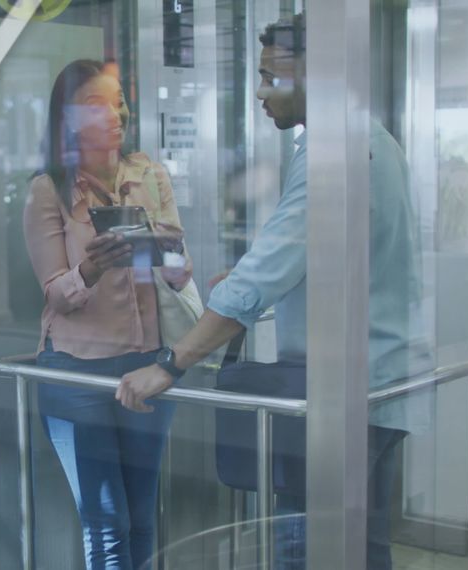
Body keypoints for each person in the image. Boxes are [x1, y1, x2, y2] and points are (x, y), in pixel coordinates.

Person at [115, 13, 427, 570]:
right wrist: (246, 278)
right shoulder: (370, 141)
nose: (261, 93)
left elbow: (265, 273)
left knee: (309, 550)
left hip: (347, 395)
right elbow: (316, 257)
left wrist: (171, 363)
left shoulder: (338, 152)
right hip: (377, 383)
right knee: (360, 547)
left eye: (273, 78)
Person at [23, 59, 194, 570]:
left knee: (142, 514)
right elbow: (55, 293)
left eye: (118, 100)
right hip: (77, 373)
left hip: (146, 366)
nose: (117, 113)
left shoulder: (150, 174)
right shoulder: (47, 190)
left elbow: (179, 274)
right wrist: (91, 270)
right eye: (98, 105)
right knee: (107, 522)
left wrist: (170, 255)